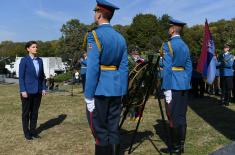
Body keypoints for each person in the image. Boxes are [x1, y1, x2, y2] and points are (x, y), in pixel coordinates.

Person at [84, 0, 128, 154]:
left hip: (100, 89)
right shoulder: (120, 38)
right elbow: (124, 67)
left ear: (99, 14)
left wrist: (88, 95)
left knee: (100, 132)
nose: (94, 14)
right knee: (113, 129)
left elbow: (93, 68)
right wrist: (123, 90)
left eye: (95, 12)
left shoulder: (94, 35)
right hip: (116, 89)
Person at [161, 18, 192, 153]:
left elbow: (167, 68)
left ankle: (175, 147)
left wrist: (167, 88)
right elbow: (189, 66)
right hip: (183, 84)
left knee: (173, 116)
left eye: (170, 27)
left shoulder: (168, 45)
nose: (168, 29)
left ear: (173, 29)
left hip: (173, 84)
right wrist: (185, 80)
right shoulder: (185, 45)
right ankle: (181, 145)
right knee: (181, 115)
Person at [19, 41, 46, 140]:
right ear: (28, 49)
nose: (36, 48)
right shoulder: (24, 60)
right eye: (33, 47)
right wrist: (23, 90)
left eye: (36, 47)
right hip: (27, 91)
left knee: (35, 112)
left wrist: (43, 88)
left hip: (38, 91)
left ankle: (33, 131)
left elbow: (42, 76)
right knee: (26, 113)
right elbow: (21, 77)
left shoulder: (40, 60)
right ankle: (26, 133)